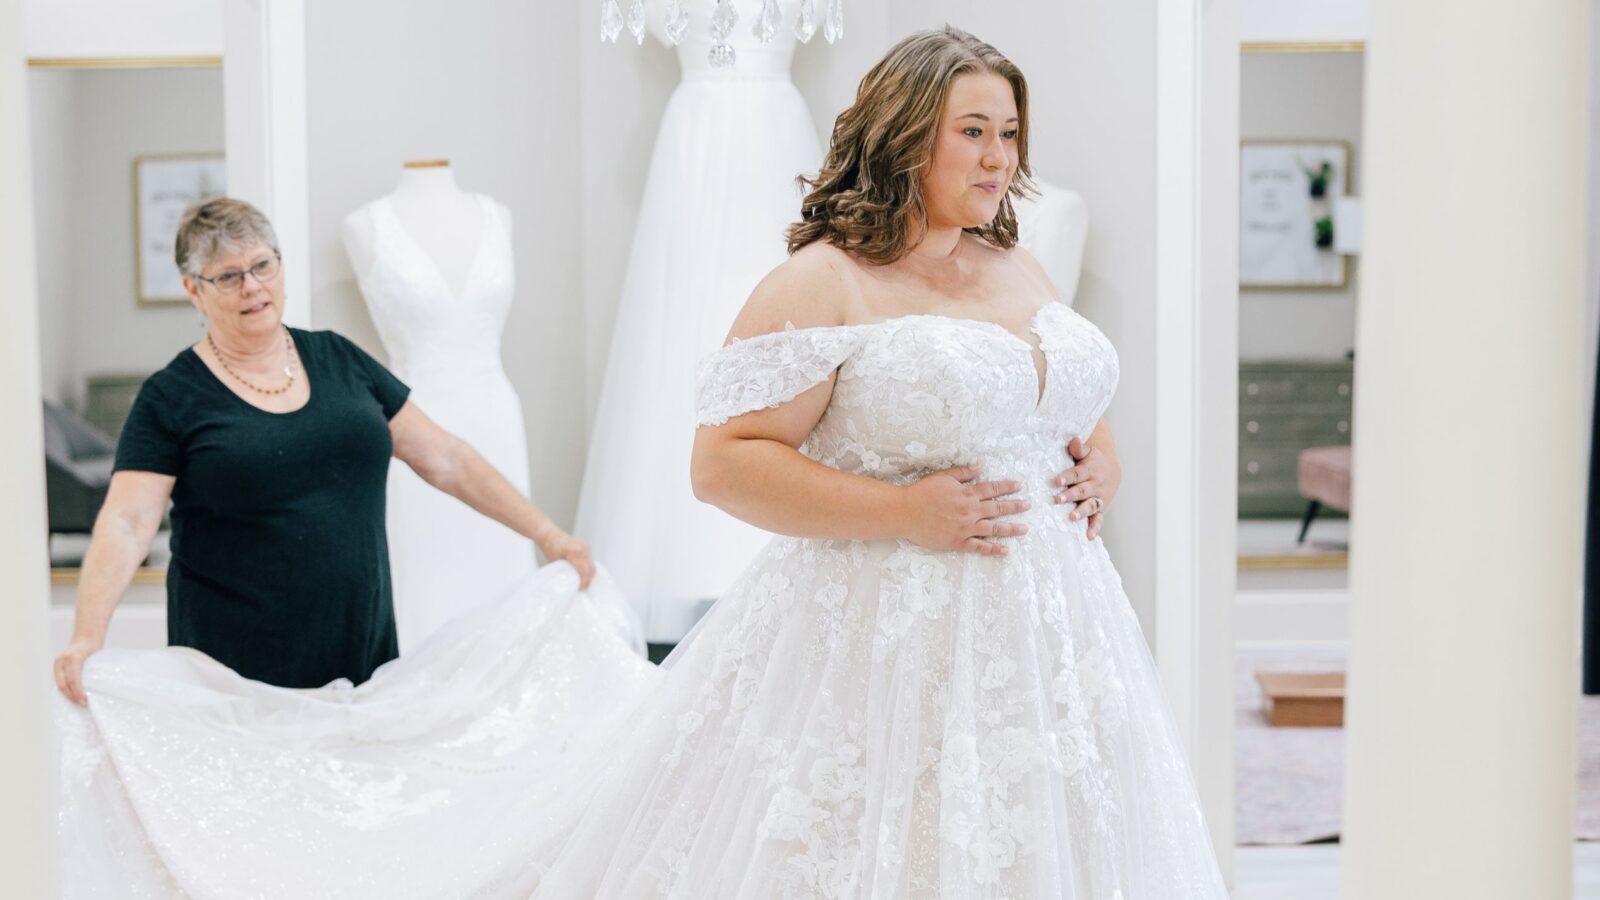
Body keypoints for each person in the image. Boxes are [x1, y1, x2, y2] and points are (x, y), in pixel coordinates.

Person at [53, 29, 1221, 899]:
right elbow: (723, 467)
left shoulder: (1019, 270)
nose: (998, 154)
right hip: (890, 619)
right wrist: (903, 511)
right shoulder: (823, 281)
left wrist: (1103, 468)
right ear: (907, 134)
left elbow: (1069, 403)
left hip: (1053, 627)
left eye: (1009, 131)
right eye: (973, 128)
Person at [51, 197, 593, 698]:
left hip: (360, 658)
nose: (253, 287)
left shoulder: (339, 359)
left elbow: (447, 459)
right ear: (195, 289)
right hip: (234, 677)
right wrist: (86, 637)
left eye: (264, 265)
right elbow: (127, 523)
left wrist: (548, 535)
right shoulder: (169, 397)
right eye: (229, 277)